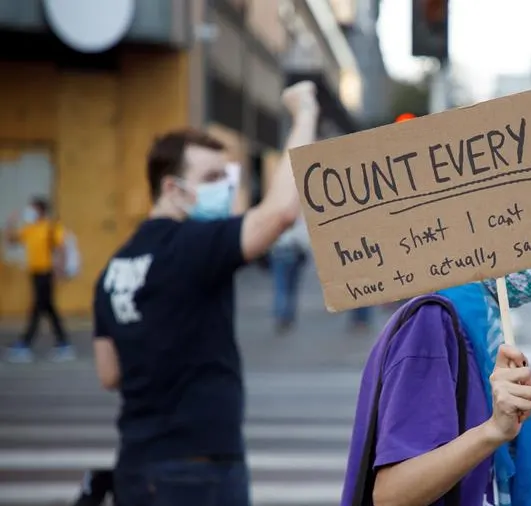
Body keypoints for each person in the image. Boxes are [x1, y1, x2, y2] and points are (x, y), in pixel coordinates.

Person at [91, 81, 319, 506]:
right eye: (212, 178)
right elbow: (281, 212)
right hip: (197, 470)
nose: (225, 188)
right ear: (172, 189)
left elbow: (110, 373)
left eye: (226, 177)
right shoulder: (190, 246)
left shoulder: (113, 269)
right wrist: (304, 113)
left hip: (137, 466)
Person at [342, 264, 531, 506]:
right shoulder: (433, 320)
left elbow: (479, 487)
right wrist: (493, 430)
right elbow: (392, 495)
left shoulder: (482, 321)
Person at [4, 196, 73, 363]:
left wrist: (61, 269)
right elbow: (11, 241)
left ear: (41, 210)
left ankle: (25, 343)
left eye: (32, 208)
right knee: (48, 308)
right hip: (34, 273)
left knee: (38, 308)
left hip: (46, 273)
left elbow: (62, 248)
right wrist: (9, 223)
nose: (29, 212)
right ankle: (64, 344)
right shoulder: (30, 228)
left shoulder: (50, 227)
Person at [270, 216, 311, 333]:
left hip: (279, 248)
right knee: (292, 286)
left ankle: (281, 315)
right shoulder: (298, 209)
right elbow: (304, 233)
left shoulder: (278, 208)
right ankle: (288, 315)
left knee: (281, 286)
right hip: (296, 249)